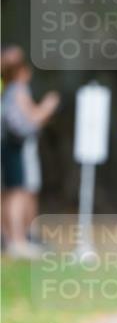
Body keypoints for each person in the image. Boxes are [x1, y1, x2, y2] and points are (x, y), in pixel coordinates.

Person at [1, 45, 60, 258]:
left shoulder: (7, 90)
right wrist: (48, 105)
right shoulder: (18, 90)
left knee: (9, 193)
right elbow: (32, 118)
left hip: (7, 146)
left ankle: (11, 239)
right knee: (17, 192)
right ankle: (17, 240)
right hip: (16, 147)